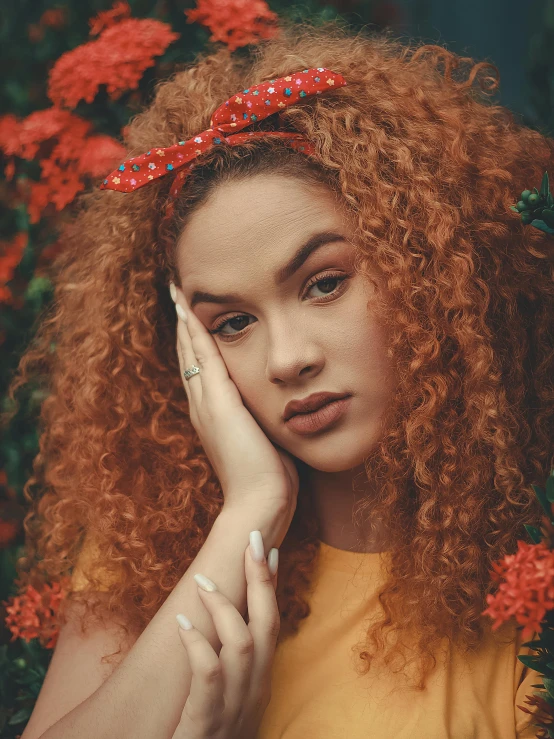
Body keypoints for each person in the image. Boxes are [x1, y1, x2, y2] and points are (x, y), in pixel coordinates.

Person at [8, 18, 553, 739]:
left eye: (323, 283)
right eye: (232, 323)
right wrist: (251, 510)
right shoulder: (157, 538)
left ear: (425, 267)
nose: (287, 358)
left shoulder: (527, 566)